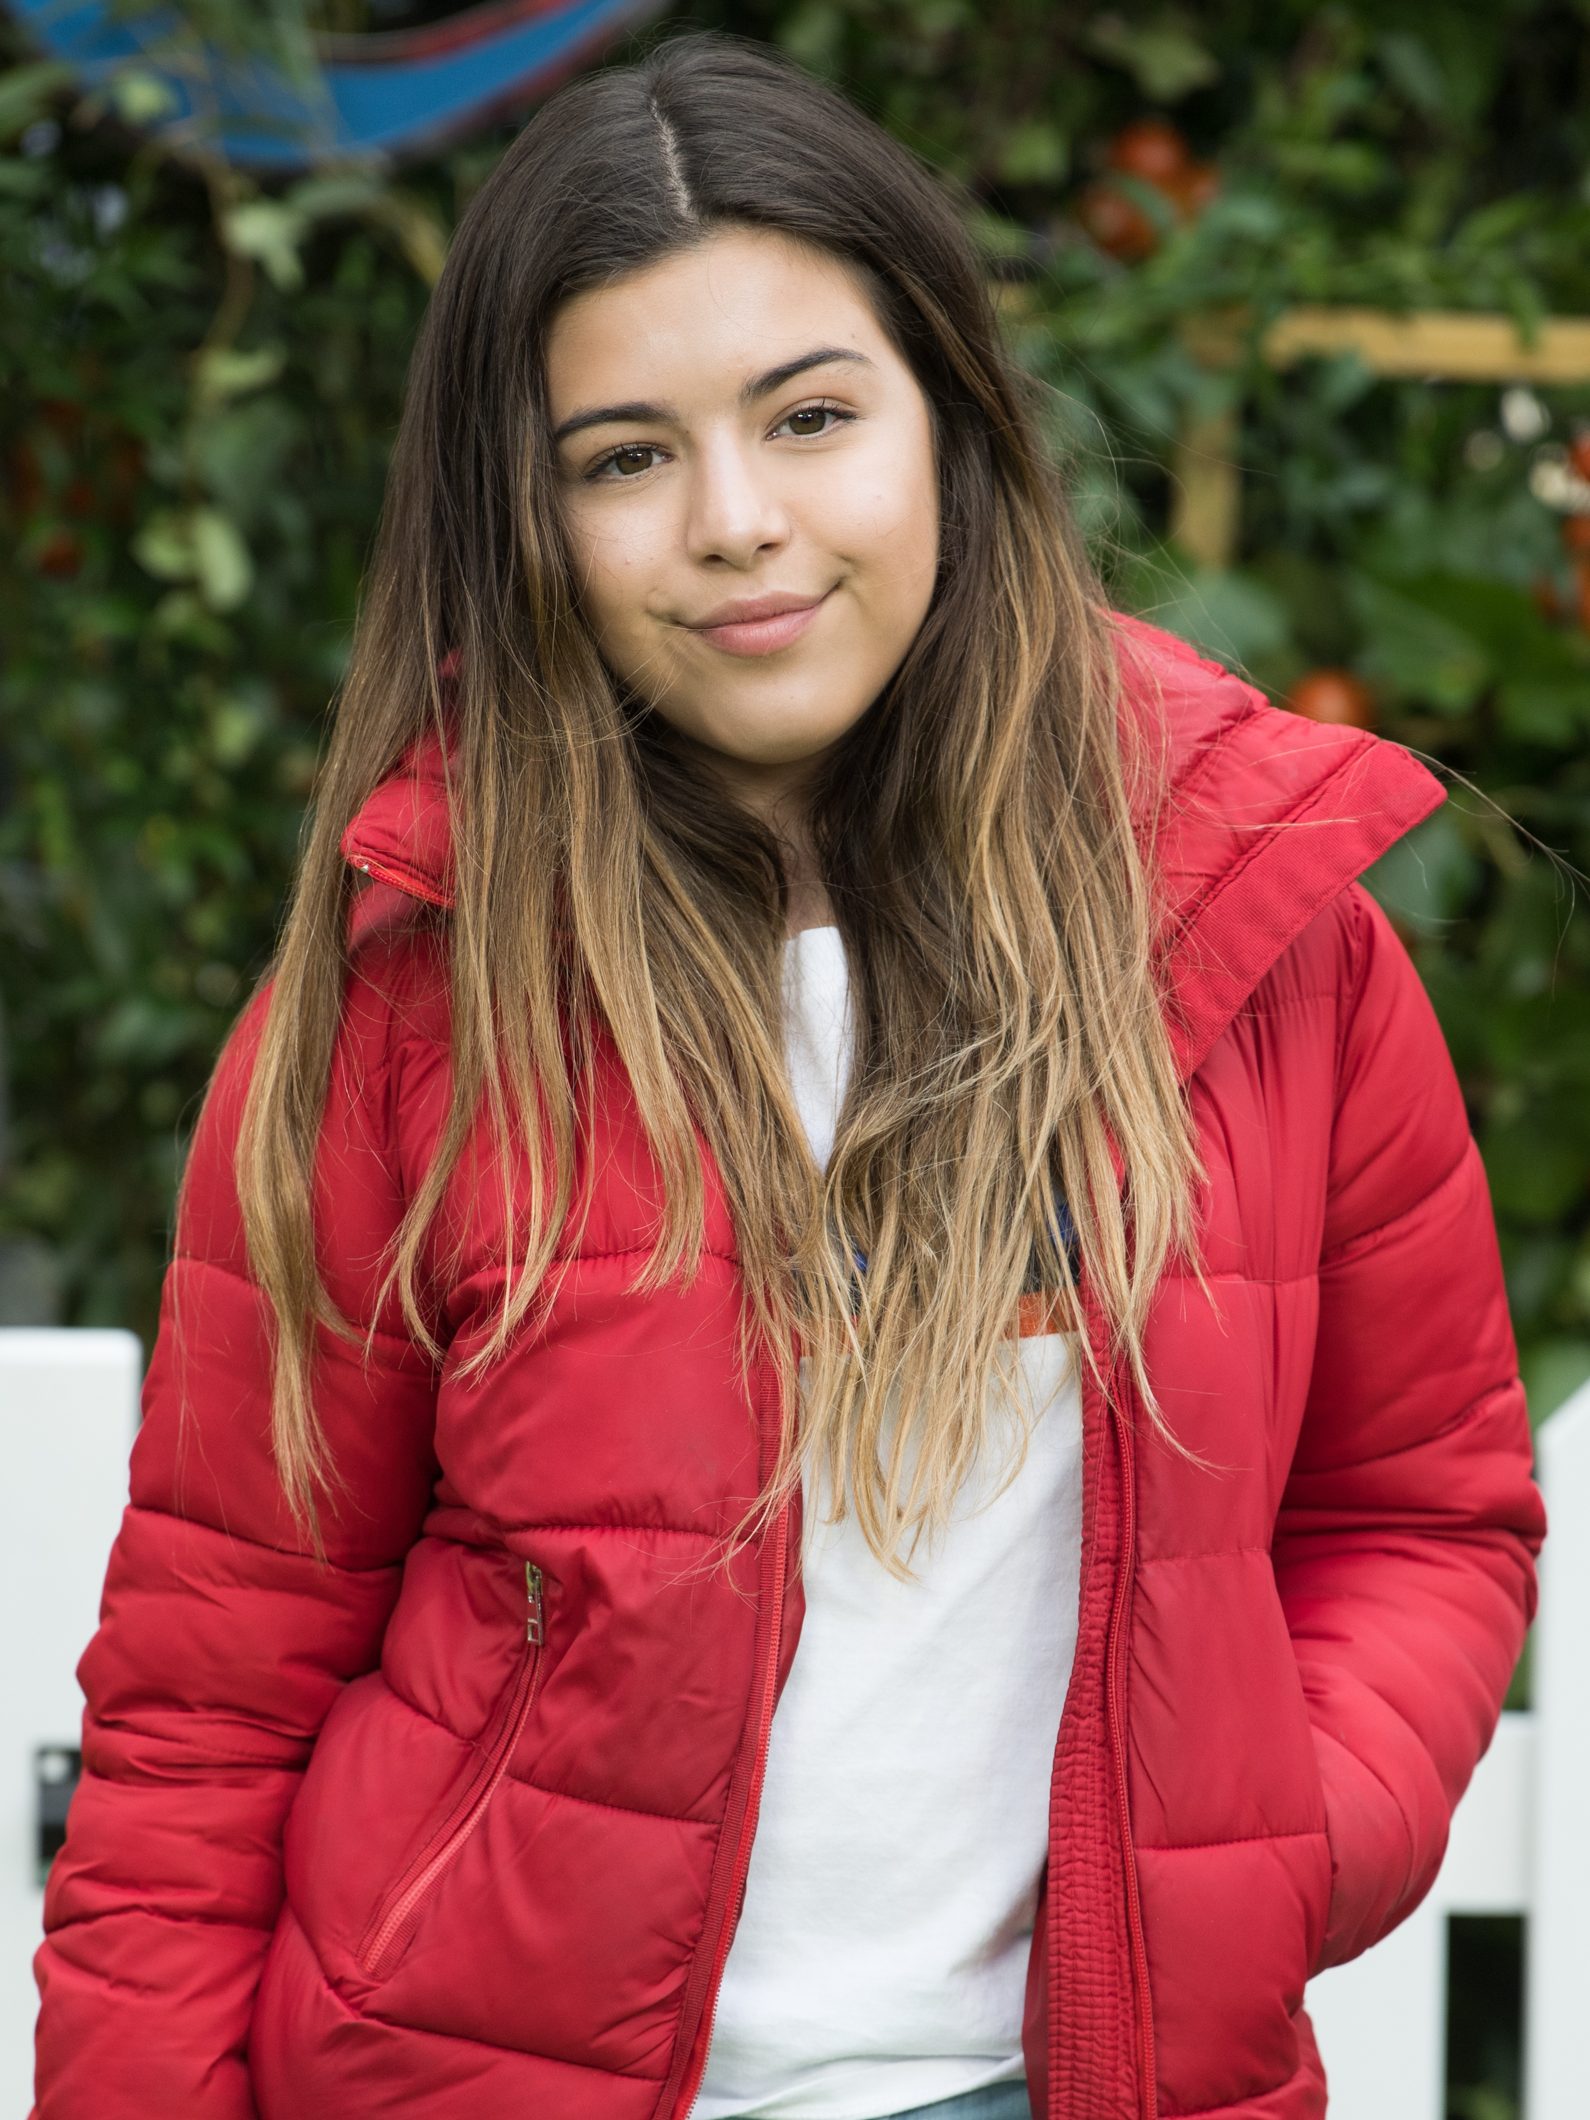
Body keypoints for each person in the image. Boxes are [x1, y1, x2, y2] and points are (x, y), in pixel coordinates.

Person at [31, 28, 1545, 2120]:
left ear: (952, 423)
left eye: (811, 417)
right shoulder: (413, 999)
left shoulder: (1257, 939)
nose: (737, 523)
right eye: (625, 455)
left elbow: (1419, 1510)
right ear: (530, 515)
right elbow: (210, 1703)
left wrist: (1278, 1834)